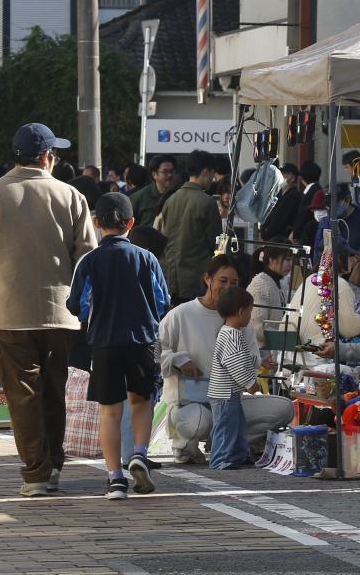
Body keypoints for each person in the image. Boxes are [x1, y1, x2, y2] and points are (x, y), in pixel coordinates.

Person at [0, 123, 96, 497]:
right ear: (47, 157)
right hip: (61, 314)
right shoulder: (71, 196)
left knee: (23, 395)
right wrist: (90, 309)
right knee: (54, 390)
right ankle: (53, 464)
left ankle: (36, 471)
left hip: (9, 313)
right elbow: (88, 261)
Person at [66, 192, 169, 500]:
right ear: (131, 223)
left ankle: (115, 480)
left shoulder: (89, 261)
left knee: (110, 412)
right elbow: (162, 301)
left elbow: (75, 304)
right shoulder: (147, 258)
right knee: (141, 402)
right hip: (142, 341)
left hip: (105, 343)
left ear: (96, 223)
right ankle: (138, 453)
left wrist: (93, 317)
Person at [156, 256, 241, 464]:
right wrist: (178, 360)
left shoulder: (239, 316)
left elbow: (253, 357)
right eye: (223, 280)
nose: (228, 287)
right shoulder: (180, 314)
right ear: (207, 279)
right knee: (199, 420)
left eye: (234, 283)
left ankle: (228, 444)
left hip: (229, 401)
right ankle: (184, 445)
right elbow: (156, 354)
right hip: (190, 402)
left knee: (281, 409)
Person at [207, 287, 295, 469]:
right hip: (224, 394)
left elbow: (242, 358)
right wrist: (250, 384)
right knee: (226, 427)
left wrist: (260, 361)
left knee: (237, 426)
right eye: (250, 311)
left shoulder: (230, 332)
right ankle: (220, 459)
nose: (250, 316)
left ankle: (237, 455)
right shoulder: (231, 335)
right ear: (241, 311)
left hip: (229, 393)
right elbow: (235, 364)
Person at [156, 151, 224, 306]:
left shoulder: (170, 200)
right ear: (205, 171)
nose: (212, 179)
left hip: (172, 278)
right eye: (212, 174)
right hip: (197, 281)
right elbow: (217, 245)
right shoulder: (208, 203)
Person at [259, 163, 304, 244]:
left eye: (282, 175)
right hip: (272, 238)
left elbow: (279, 220)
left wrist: (267, 233)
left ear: (292, 178)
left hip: (281, 240)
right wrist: (263, 230)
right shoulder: (279, 195)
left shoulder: (293, 196)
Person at [131, 155, 179, 224]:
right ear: (154, 175)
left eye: (172, 171)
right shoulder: (139, 197)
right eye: (165, 172)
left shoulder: (179, 195)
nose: (169, 175)